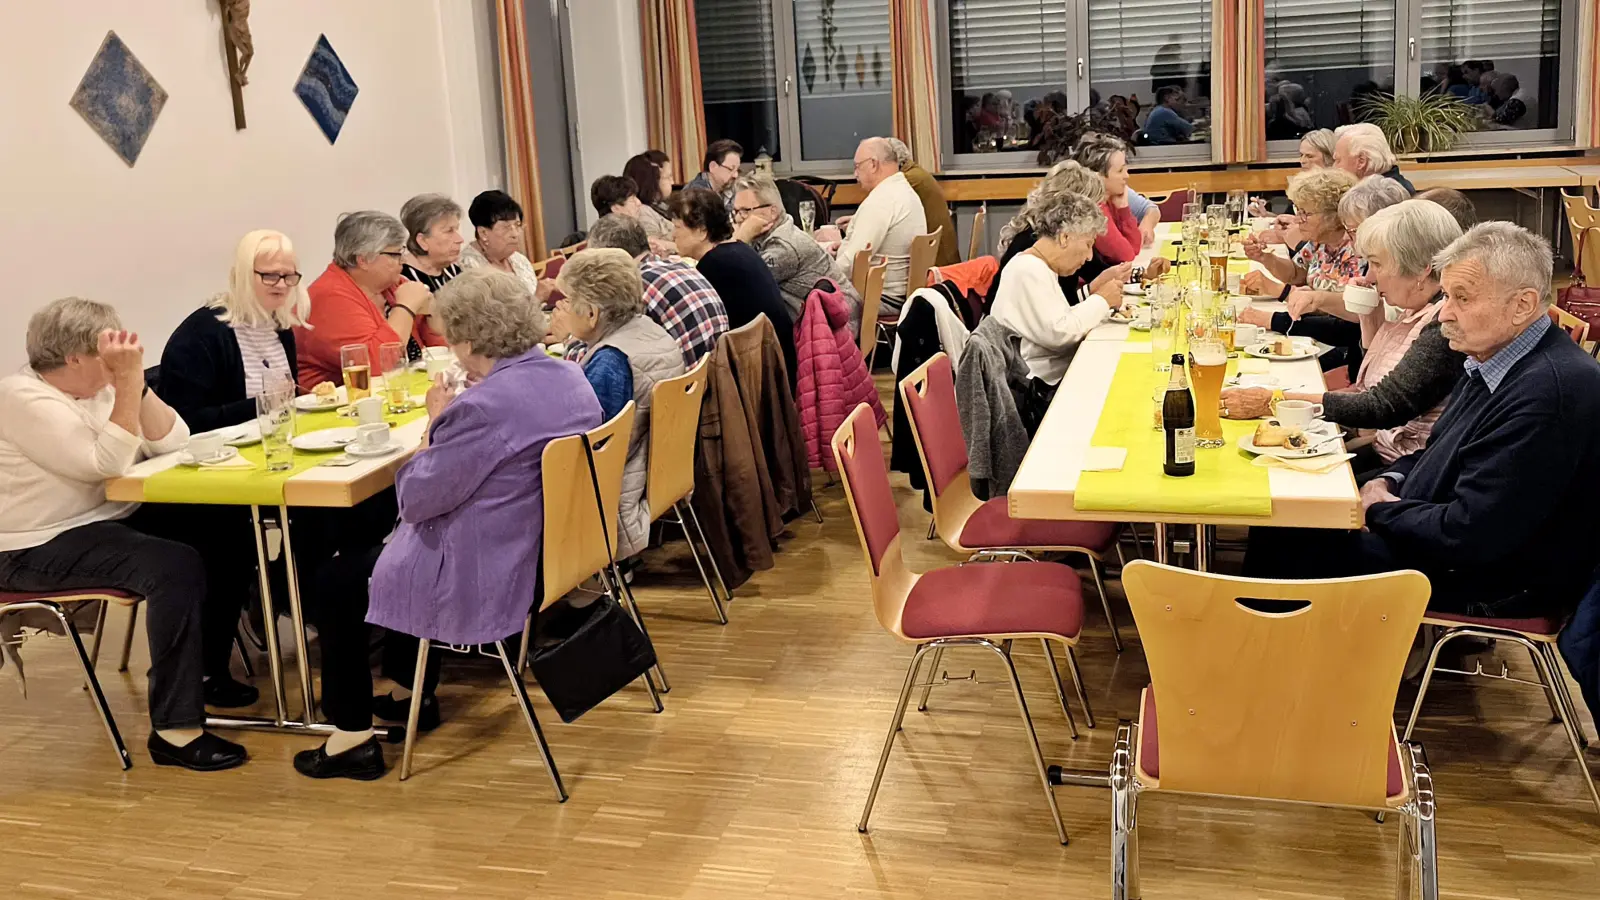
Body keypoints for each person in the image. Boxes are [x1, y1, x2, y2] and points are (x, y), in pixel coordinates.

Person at [290, 268, 604, 780]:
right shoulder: (566, 376)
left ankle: (351, 737)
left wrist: (436, 424)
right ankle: (407, 689)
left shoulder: (482, 408)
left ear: (466, 338)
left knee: (336, 580)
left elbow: (415, 500)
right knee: (379, 544)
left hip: (489, 568)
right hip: (553, 551)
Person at [1246, 223, 1600, 621]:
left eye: (1462, 298)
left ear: (1522, 305)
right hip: (1438, 524)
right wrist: (1387, 481)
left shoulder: (1547, 394)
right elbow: (1434, 451)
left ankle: (1281, 663)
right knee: (1288, 510)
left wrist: (1380, 510)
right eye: (1446, 295)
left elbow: (1469, 534)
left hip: (1496, 579)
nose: (1444, 313)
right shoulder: (1492, 356)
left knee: (1293, 535)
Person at [0, 298, 252, 771]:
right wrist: (129, 380)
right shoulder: (21, 397)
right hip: (34, 544)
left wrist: (131, 387)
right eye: (109, 349)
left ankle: (206, 670)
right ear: (74, 357)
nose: (122, 356)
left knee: (223, 526)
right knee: (173, 565)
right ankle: (175, 730)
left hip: (103, 518)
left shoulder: (96, 388)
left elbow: (176, 441)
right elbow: (106, 464)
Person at [1223, 200, 1466, 478]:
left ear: (1421, 268)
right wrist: (1370, 316)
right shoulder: (1414, 309)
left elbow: (1383, 405)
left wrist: (1274, 400)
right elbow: (1371, 385)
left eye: (1376, 264)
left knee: (1279, 481)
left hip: (1408, 469)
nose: (1370, 276)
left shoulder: (1442, 324)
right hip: (1386, 450)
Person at [550, 249, 686, 561]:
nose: (561, 308)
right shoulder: (648, 330)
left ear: (592, 314)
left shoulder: (610, 361)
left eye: (567, 300)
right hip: (657, 472)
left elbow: (589, 445)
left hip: (618, 487)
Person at [990, 191, 1131, 388]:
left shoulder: (1039, 266)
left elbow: (1058, 318)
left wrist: (1095, 294)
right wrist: (1101, 300)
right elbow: (1060, 333)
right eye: (1088, 244)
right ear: (1065, 237)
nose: (1090, 256)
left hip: (1044, 378)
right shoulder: (1029, 270)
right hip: (1034, 388)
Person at [1239, 168, 1364, 374]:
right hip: (1316, 336)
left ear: (1333, 216)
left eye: (1306, 213)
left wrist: (1274, 316)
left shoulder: (1357, 249)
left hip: (1340, 347)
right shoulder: (1319, 242)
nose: (1298, 220)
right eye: (1299, 211)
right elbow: (1297, 274)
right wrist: (1265, 258)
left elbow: (1349, 319)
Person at [297, 211, 435, 391]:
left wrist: (433, 311)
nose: (403, 260)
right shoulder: (329, 296)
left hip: (398, 391)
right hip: (339, 406)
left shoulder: (392, 285)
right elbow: (376, 366)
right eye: (394, 254)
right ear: (363, 260)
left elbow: (439, 345)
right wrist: (405, 307)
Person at [670, 188, 798, 380]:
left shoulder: (714, 266)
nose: (672, 235)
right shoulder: (737, 250)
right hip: (778, 365)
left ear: (702, 231)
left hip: (763, 376)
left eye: (677, 228)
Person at [584, 213, 729, 366]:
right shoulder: (680, 266)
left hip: (683, 384)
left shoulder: (633, 287)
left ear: (610, 259)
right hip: (713, 374)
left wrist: (572, 341)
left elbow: (603, 359)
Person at [731, 172, 862, 336]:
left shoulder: (784, 247)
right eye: (736, 211)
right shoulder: (778, 231)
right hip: (828, 321)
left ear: (772, 211)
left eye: (745, 211)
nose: (738, 219)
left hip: (835, 331)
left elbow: (741, 283)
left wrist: (740, 238)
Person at [835, 137, 928, 313]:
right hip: (903, 294)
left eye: (857, 167)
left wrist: (820, 274)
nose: (855, 174)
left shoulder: (881, 200)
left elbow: (853, 262)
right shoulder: (904, 191)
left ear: (873, 164)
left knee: (806, 298)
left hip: (880, 298)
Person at [884, 138, 958, 267]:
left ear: (893, 161)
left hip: (938, 262)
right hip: (942, 253)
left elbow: (885, 214)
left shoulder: (908, 179)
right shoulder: (915, 172)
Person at [1071, 133, 1143, 264]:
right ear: (1098, 176)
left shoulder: (1110, 200)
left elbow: (1135, 247)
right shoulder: (1091, 210)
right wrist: (1123, 210)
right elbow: (1126, 255)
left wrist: (1123, 208)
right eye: (1120, 171)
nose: (1127, 176)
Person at [458, 189, 540, 296]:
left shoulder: (519, 260)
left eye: (517, 225)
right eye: (506, 227)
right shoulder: (468, 267)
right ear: (483, 233)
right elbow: (491, 311)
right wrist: (537, 298)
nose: (515, 234)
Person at [1333, 123, 1414, 193]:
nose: (1333, 167)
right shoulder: (1399, 188)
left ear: (1361, 161)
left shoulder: (1373, 201)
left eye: (1337, 160)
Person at [622, 150, 678, 247]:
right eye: (667, 177)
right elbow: (653, 248)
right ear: (652, 181)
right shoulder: (642, 212)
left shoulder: (662, 206)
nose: (672, 182)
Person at [685, 138, 743, 212]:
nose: (735, 175)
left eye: (737, 170)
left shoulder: (729, 188)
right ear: (713, 167)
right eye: (731, 169)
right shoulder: (695, 196)